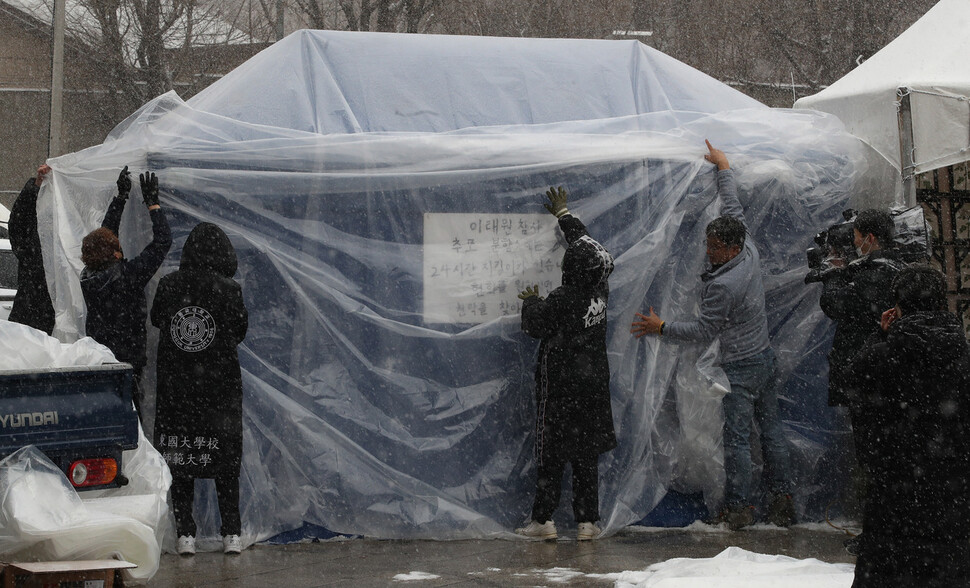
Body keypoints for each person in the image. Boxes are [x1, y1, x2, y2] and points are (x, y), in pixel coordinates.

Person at [630, 140, 793, 530]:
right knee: (770, 432)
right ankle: (783, 499)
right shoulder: (747, 247)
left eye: (714, 246)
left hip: (741, 368)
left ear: (731, 247)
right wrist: (724, 168)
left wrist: (662, 328)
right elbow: (733, 205)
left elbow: (704, 330)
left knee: (736, 439)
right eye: (708, 243)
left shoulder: (725, 285)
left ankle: (738, 507)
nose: (708, 251)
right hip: (765, 359)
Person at [843, 266, 970, 587]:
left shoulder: (874, 363)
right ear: (943, 305)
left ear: (896, 309)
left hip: (893, 508)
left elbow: (866, 442)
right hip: (956, 511)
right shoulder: (964, 361)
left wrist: (879, 338)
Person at [514, 185, 616, 541]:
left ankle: (543, 521)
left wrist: (530, 301)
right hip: (592, 387)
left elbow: (534, 325)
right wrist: (564, 217)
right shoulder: (600, 290)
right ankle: (587, 522)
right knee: (586, 457)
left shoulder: (564, 298)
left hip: (560, 391)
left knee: (552, 456)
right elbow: (589, 245)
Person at [151, 222, 248, 556]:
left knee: (181, 458)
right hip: (219, 389)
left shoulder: (168, 285)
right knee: (224, 458)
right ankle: (231, 533)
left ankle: (185, 535)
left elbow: (157, 320)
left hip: (177, 389)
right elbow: (239, 330)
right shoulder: (230, 289)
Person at [80, 168, 171, 417]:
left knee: (105, 415)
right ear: (116, 253)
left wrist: (120, 198)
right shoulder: (128, 276)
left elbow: (105, 237)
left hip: (100, 357)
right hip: (127, 360)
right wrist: (153, 205)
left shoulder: (89, 275)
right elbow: (163, 242)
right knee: (130, 419)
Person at [8, 164, 55, 334]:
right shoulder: (31, 256)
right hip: (30, 310)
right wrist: (36, 186)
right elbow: (17, 224)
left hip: (47, 316)